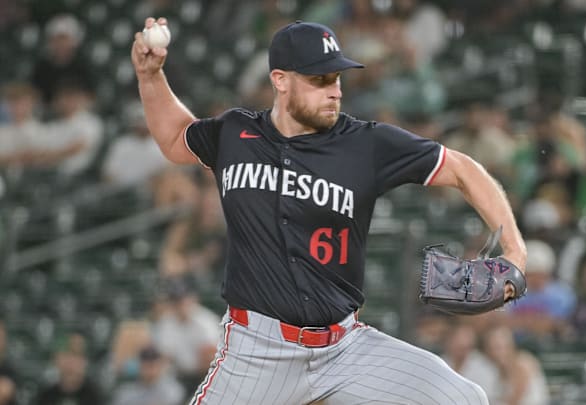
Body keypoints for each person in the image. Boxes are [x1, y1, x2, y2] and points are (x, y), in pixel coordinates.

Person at [132, 17, 527, 404]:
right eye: (319, 80)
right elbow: (173, 137)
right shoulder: (235, 134)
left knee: (463, 398)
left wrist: (515, 251)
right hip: (257, 352)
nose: (334, 90)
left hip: (345, 347)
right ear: (280, 81)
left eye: (336, 78)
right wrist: (151, 78)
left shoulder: (366, 145)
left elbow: (463, 169)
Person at [110, 345, 185, 405]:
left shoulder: (174, 390)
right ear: (140, 366)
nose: (150, 370)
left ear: (160, 366)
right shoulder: (126, 393)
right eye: (146, 365)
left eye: (153, 365)